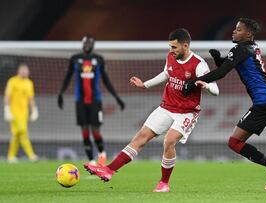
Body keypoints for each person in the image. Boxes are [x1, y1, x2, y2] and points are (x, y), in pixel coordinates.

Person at [183, 18, 266, 192]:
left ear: (248, 34)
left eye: (238, 29)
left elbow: (221, 73)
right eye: (235, 28)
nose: (234, 31)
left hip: (263, 102)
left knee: (234, 142)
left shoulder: (240, 49)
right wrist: (219, 59)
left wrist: (194, 82)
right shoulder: (253, 47)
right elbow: (231, 65)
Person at [84, 28, 219, 192]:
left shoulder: (199, 64)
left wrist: (206, 86)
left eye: (174, 47)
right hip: (166, 107)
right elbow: (165, 74)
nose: (171, 50)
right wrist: (145, 84)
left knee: (169, 141)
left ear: (185, 45)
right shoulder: (170, 57)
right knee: (140, 138)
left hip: (187, 112)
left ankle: (164, 184)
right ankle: (109, 170)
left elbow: (215, 89)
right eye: (170, 46)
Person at [57, 35, 125, 166]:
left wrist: (117, 97)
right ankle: (91, 161)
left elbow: (106, 80)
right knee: (84, 131)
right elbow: (67, 77)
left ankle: (102, 153)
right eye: (85, 43)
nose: (87, 45)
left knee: (95, 130)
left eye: (89, 43)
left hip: (95, 100)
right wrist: (60, 93)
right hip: (80, 101)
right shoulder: (75, 59)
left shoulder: (99, 59)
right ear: (82, 44)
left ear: (93, 45)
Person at [4, 63, 39, 162]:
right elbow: (7, 96)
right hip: (14, 112)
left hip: (24, 113)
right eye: (22, 70)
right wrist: (6, 109)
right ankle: (31, 155)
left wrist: (34, 110)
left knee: (16, 134)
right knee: (23, 132)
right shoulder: (12, 81)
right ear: (18, 71)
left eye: (26, 71)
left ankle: (11, 156)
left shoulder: (29, 83)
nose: (24, 72)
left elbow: (30, 98)